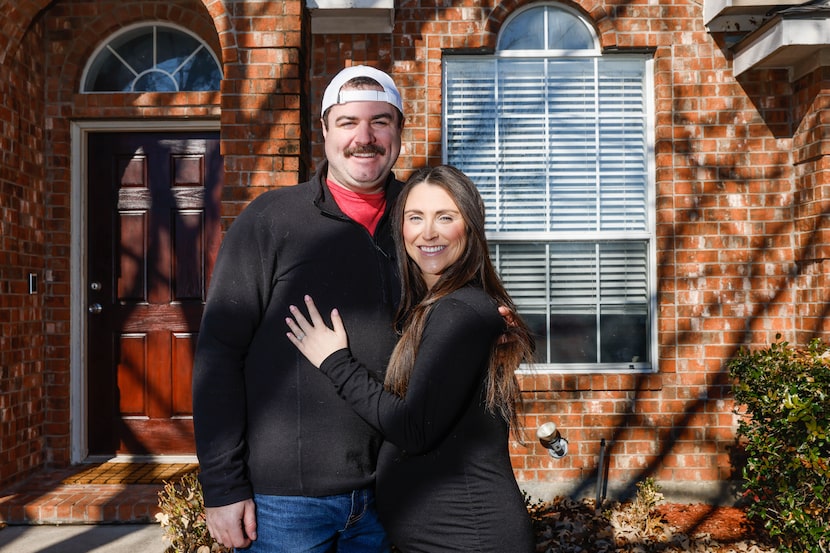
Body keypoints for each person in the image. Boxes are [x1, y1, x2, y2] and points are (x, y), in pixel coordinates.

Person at [192, 65, 406, 552]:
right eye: (349, 122)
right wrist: (222, 486)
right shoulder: (270, 220)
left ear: (399, 131)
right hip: (284, 505)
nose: (365, 137)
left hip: (395, 493)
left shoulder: (419, 221)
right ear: (326, 131)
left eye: (381, 121)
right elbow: (219, 355)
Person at [285, 165, 537, 552]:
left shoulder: (459, 311)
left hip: (469, 540)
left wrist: (336, 361)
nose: (428, 232)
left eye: (445, 217)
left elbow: (414, 428)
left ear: (469, 226)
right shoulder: (445, 309)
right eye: (414, 218)